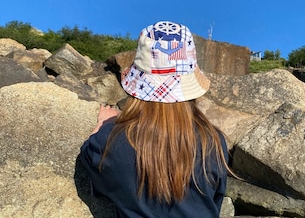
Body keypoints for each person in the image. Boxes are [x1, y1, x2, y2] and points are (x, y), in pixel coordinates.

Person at [80, 21, 229, 217]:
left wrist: (103, 125)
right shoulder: (214, 142)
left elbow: (96, 178)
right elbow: (215, 202)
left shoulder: (108, 141)